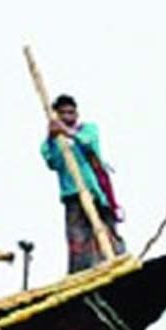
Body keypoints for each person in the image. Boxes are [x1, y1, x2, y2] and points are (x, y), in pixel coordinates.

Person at [40, 94, 125, 273]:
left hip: (95, 192)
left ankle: (116, 262)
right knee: (78, 238)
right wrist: (53, 136)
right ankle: (81, 272)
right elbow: (53, 162)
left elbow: (88, 142)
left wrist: (65, 130)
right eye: (62, 113)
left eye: (71, 112)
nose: (67, 117)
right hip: (72, 195)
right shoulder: (50, 143)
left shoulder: (89, 129)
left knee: (106, 232)